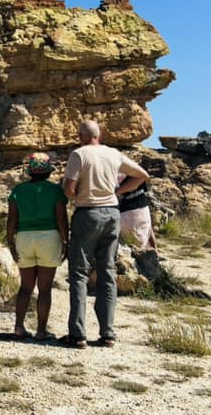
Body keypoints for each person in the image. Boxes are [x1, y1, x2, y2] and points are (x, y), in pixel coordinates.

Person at [62, 120, 149, 348]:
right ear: (98, 135)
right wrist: (118, 191)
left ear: (81, 135)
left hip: (87, 213)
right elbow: (142, 174)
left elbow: (69, 188)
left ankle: (78, 334)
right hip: (112, 213)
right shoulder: (113, 154)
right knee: (106, 271)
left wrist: (78, 195)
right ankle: (108, 333)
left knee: (79, 273)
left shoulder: (78, 155)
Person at [5, 152, 69, 341]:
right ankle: (41, 331)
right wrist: (66, 240)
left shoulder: (18, 191)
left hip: (24, 237)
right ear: (48, 172)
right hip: (49, 237)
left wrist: (10, 241)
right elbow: (61, 218)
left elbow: (12, 219)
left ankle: (19, 327)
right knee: (45, 288)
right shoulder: (55, 191)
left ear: (30, 171)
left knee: (25, 287)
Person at [118, 179, 157, 250]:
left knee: (133, 244)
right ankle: (154, 252)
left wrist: (116, 192)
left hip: (126, 210)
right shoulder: (136, 170)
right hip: (142, 206)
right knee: (146, 232)